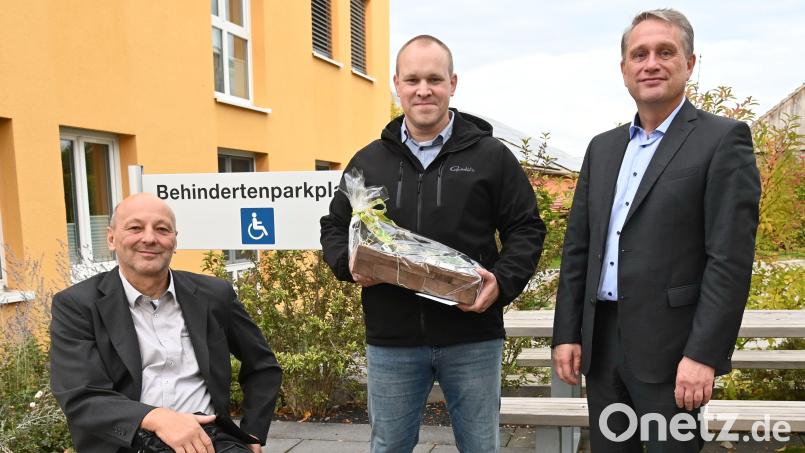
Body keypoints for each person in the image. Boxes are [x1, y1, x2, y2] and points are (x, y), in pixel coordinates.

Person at [320, 35, 545, 453]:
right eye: (412, 80)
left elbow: (527, 229)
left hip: (473, 336)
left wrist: (502, 281)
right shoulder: (369, 161)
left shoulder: (490, 156)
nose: (423, 89)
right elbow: (334, 227)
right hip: (393, 338)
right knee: (389, 447)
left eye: (434, 79)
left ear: (452, 83)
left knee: (480, 446)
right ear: (397, 85)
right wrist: (348, 263)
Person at [552, 9, 760, 452]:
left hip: (673, 352)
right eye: (639, 54)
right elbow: (578, 249)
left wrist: (703, 355)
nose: (651, 63)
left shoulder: (723, 140)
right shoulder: (603, 148)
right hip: (602, 347)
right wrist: (568, 333)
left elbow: (729, 260)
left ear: (690, 63)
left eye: (666, 52)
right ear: (624, 70)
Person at [50, 193, 282, 453]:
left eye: (162, 229)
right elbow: (82, 395)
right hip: (128, 443)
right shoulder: (77, 305)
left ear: (174, 241)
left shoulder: (214, 295)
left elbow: (263, 366)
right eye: (135, 227)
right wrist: (158, 418)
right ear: (112, 238)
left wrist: (252, 433)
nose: (149, 238)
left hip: (209, 440)